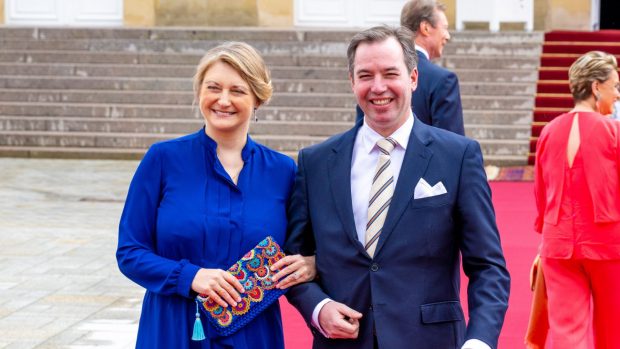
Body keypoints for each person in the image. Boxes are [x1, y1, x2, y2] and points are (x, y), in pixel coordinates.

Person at [285, 26, 510, 349]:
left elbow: (487, 266)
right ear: (351, 82)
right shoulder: (316, 162)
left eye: (390, 73)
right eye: (365, 75)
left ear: (413, 78)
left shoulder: (458, 156)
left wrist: (479, 341)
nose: (378, 87)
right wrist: (318, 308)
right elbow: (296, 259)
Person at [116, 42, 315, 349]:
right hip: (173, 329)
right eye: (213, 88)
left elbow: (299, 251)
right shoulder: (162, 160)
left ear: (258, 99)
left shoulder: (283, 171)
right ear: (199, 93)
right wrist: (190, 276)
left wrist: (310, 264)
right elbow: (130, 252)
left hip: (254, 333)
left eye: (237, 90)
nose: (223, 100)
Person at [533, 50, 620, 348]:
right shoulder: (614, 132)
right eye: (615, 87)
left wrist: (544, 244)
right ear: (596, 87)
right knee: (613, 332)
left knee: (567, 334)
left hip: (557, 244)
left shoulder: (548, 132)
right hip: (608, 244)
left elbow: (542, 196)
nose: (618, 95)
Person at [355, 0, 465, 136]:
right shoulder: (443, 80)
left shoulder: (370, 81)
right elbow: (452, 146)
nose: (448, 36)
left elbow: (362, 137)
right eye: (445, 28)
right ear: (425, 28)